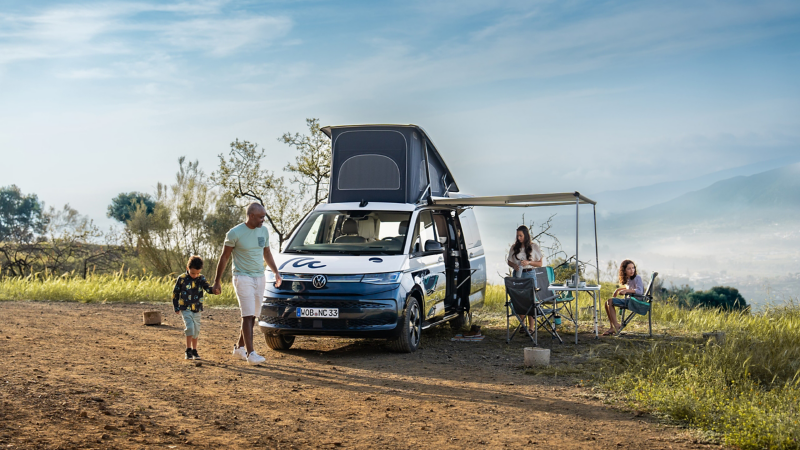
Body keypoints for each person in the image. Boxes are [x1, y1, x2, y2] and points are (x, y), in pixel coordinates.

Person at [212, 203, 282, 365]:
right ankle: (251, 354)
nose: (263, 220)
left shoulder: (263, 231)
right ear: (251, 216)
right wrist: (217, 281)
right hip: (242, 277)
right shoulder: (234, 233)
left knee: (253, 315)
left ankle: (239, 348)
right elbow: (224, 257)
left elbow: (267, 253)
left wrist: (276, 272)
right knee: (247, 314)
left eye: (264, 216)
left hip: (259, 277)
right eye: (260, 217)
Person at [172, 255, 216, 360]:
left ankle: (194, 350)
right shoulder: (182, 279)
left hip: (197, 308)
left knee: (196, 330)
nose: (195, 275)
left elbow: (207, 288)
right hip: (185, 308)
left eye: (197, 273)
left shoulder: (201, 278)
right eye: (192, 273)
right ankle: (188, 350)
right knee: (190, 327)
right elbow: (175, 293)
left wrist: (215, 290)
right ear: (188, 268)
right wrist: (176, 307)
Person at [507, 225, 544, 331]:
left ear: (526, 235)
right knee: (518, 299)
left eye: (521, 236)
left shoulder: (534, 247)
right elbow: (509, 261)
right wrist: (514, 265)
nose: (519, 238)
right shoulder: (514, 247)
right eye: (517, 236)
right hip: (518, 274)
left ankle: (532, 327)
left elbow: (540, 263)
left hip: (529, 274)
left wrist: (529, 262)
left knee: (530, 299)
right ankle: (523, 325)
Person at [603, 259, 644, 336]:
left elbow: (639, 291)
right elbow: (630, 288)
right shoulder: (628, 278)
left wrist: (626, 291)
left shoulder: (637, 277)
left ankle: (616, 326)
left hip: (635, 301)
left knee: (610, 301)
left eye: (633, 268)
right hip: (630, 299)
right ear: (624, 271)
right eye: (629, 268)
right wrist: (618, 289)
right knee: (607, 303)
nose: (632, 270)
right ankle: (612, 327)